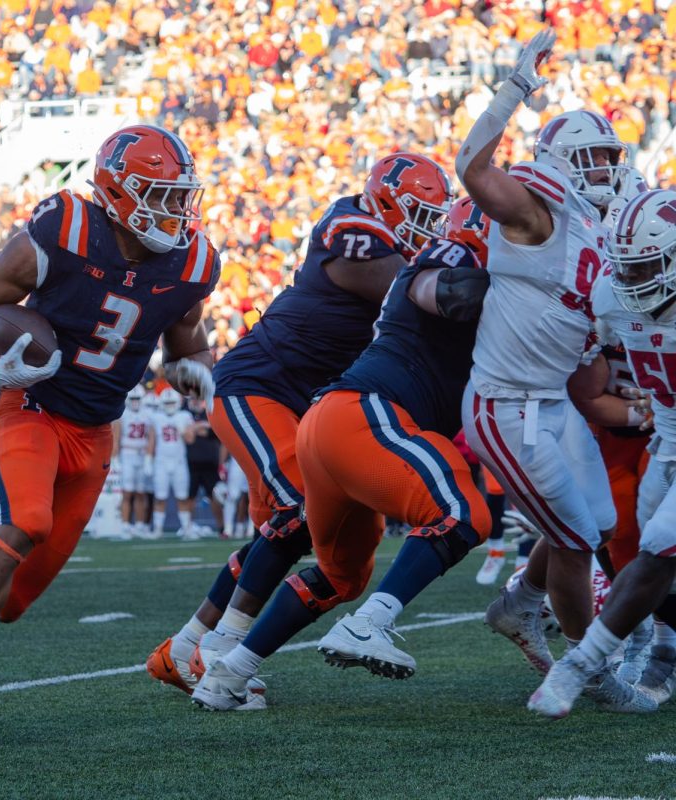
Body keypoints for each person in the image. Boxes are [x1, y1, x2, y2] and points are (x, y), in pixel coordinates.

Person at [0, 125, 218, 735]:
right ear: (118, 194)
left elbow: (185, 344)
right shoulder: (65, 230)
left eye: (181, 196)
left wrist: (196, 373)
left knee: (11, 603)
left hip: (97, 429)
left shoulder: (194, 261)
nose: (176, 210)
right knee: (23, 524)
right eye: (160, 195)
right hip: (32, 405)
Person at [147, 152, 449, 697]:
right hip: (259, 387)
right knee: (298, 510)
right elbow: (409, 293)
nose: (430, 228)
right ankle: (220, 653)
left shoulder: (395, 243)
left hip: (312, 407)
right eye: (421, 213)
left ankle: (187, 645)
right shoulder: (352, 228)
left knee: (345, 566)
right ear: (385, 202)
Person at [192, 200, 494, 708]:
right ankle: (369, 625)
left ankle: (227, 674)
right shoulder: (448, 259)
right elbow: (454, 293)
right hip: (365, 416)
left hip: (332, 425)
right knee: (463, 512)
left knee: (342, 575)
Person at [455, 29, 637, 708]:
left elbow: (588, 361)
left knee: (597, 524)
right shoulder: (539, 210)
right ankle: (588, 671)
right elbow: (473, 170)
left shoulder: (594, 229)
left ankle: (521, 600)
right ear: (559, 162)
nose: (603, 170)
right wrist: (514, 90)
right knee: (573, 539)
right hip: (506, 403)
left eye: (608, 158)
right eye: (589, 158)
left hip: (553, 405)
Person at [528, 190, 676, 718]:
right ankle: (663, 646)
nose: (633, 281)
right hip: (666, 433)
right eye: (628, 267)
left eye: (648, 267)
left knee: (661, 542)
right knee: (646, 545)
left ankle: (580, 665)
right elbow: (587, 369)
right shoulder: (611, 295)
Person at [149, 388, 194, 538]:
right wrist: (148, 460)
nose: (169, 405)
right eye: (167, 402)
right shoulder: (156, 417)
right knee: (160, 497)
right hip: (161, 462)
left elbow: (190, 439)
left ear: (178, 402)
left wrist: (183, 431)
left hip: (179, 461)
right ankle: (158, 530)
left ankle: (187, 529)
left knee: (182, 497)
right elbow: (152, 440)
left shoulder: (184, 416)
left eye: (171, 402)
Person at [111, 385, 154, 537]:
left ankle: (140, 525)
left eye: (138, 399)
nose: (135, 402)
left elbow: (151, 437)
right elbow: (116, 436)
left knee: (141, 493)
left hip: (142, 455)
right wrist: (115, 457)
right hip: (127, 454)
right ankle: (125, 525)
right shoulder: (122, 414)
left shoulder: (148, 414)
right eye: (133, 399)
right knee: (127, 492)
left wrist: (149, 457)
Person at [185, 395, 223, 538]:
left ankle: (221, 527)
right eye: (193, 398)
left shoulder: (210, 412)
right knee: (190, 496)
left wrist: (197, 428)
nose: (195, 401)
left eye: (198, 398)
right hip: (191, 462)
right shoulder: (185, 413)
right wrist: (201, 427)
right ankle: (187, 527)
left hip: (210, 461)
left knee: (214, 496)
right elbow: (188, 437)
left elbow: (214, 432)